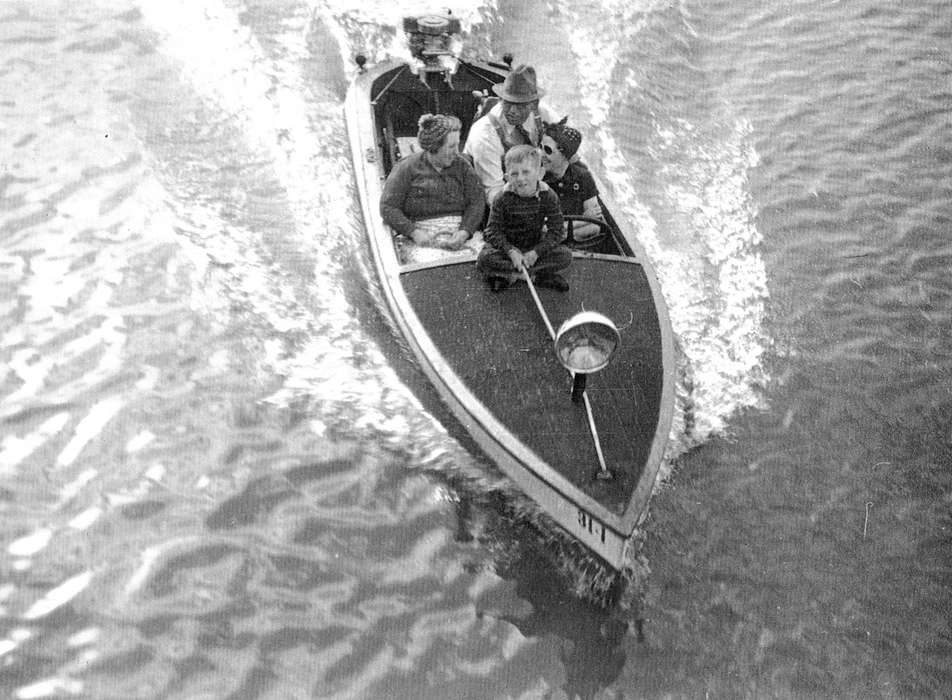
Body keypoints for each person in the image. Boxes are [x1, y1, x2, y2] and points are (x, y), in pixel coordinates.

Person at [380, 113, 485, 250]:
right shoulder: (407, 167)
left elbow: (477, 201)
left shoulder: (463, 166)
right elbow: (388, 207)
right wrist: (413, 232)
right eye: (451, 147)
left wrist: (464, 232)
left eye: (457, 145)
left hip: (460, 235)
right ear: (434, 147)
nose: (456, 152)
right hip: (422, 240)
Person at [476, 145, 572, 292]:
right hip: (508, 249)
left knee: (565, 256)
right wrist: (511, 251)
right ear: (507, 177)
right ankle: (534, 277)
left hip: (533, 247)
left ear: (540, 173)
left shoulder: (549, 196)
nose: (520, 179)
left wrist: (536, 252)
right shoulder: (501, 198)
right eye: (514, 174)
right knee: (485, 258)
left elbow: (557, 231)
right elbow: (492, 232)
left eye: (526, 172)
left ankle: (510, 275)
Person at [463, 64, 563, 205]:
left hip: (536, 185)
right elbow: (494, 194)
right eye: (508, 103)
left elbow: (568, 150)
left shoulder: (542, 114)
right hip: (503, 199)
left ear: (533, 104)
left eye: (520, 105)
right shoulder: (485, 135)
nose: (512, 111)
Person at [541, 118, 605, 242]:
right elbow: (541, 229)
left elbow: (595, 222)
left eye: (547, 150)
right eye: (541, 147)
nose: (541, 154)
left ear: (565, 154)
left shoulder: (583, 177)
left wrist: (560, 231)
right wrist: (581, 220)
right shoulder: (535, 177)